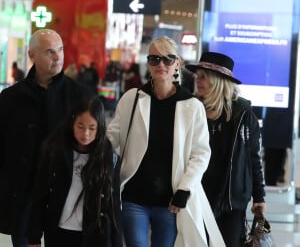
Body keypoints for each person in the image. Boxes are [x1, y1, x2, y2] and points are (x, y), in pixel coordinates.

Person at [107, 36, 225, 247]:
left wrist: (185, 188)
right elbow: (111, 137)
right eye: (154, 59)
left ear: (177, 63)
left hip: (171, 200)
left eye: (168, 59)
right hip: (134, 195)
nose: (161, 64)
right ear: (148, 63)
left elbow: (201, 153)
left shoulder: (192, 105)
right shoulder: (132, 98)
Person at [0, 29, 95, 247]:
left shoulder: (80, 96)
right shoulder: (10, 98)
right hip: (23, 192)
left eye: (60, 50)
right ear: (32, 56)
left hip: (65, 192)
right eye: (50, 52)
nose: (58, 56)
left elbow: (95, 144)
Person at [186, 51, 266, 247]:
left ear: (218, 81)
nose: (198, 80)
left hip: (232, 198)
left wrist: (259, 196)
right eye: (197, 75)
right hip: (197, 194)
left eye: (204, 76)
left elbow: (253, 158)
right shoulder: (190, 109)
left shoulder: (243, 115)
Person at [27, 98, 123, 247]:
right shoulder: (55, 151)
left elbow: (114, 202)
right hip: (58, 232)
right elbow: (40, 194)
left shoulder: (108, 156)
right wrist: (34, 235)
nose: (85, 133)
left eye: (92, 128)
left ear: (100, 128)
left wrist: (117, 242)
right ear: (72, 123)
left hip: (95, 235)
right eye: (80, 126)